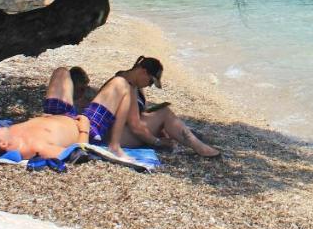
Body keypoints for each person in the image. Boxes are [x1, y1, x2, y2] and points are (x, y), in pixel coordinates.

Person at [84, 56, 220, 159]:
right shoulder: (126, 85)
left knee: (163, 114)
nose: (149, 85)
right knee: (165, 114)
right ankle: (200, 147)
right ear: (143, 71)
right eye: (150, 81)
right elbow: (135, 126)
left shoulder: (132, 84)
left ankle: (194, 141)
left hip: (119, 132)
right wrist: (158, 142)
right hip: (114, 136)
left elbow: (141, 113)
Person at [0, 112, 90, 161]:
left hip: (58, 114)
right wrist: (85, 129)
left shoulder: (11, 132)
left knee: (61, 73)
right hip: (84, 122)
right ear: (3, 144)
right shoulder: (37, 147)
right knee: (109, 87)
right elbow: (79, 153)